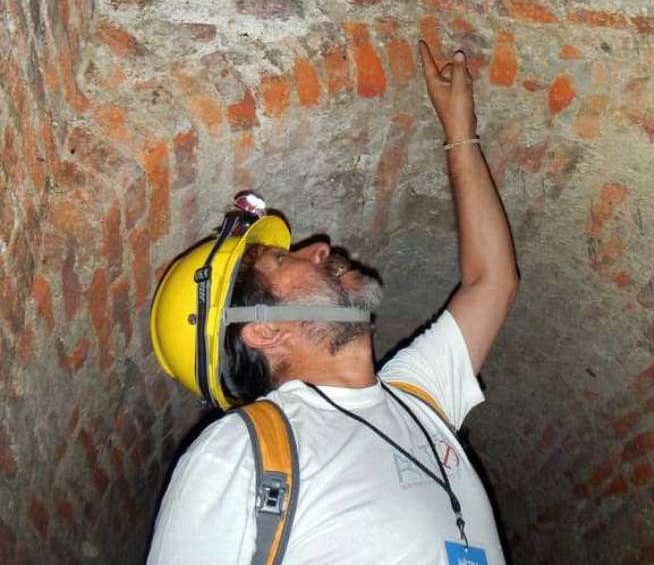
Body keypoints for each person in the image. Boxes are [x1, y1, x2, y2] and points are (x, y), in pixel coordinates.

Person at [147, 41, 518, 565]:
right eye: (281, 261)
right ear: (264, 330)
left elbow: (491, 282)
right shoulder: (239, 457)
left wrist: (459, 130)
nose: (319, 248)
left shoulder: (417, 401)